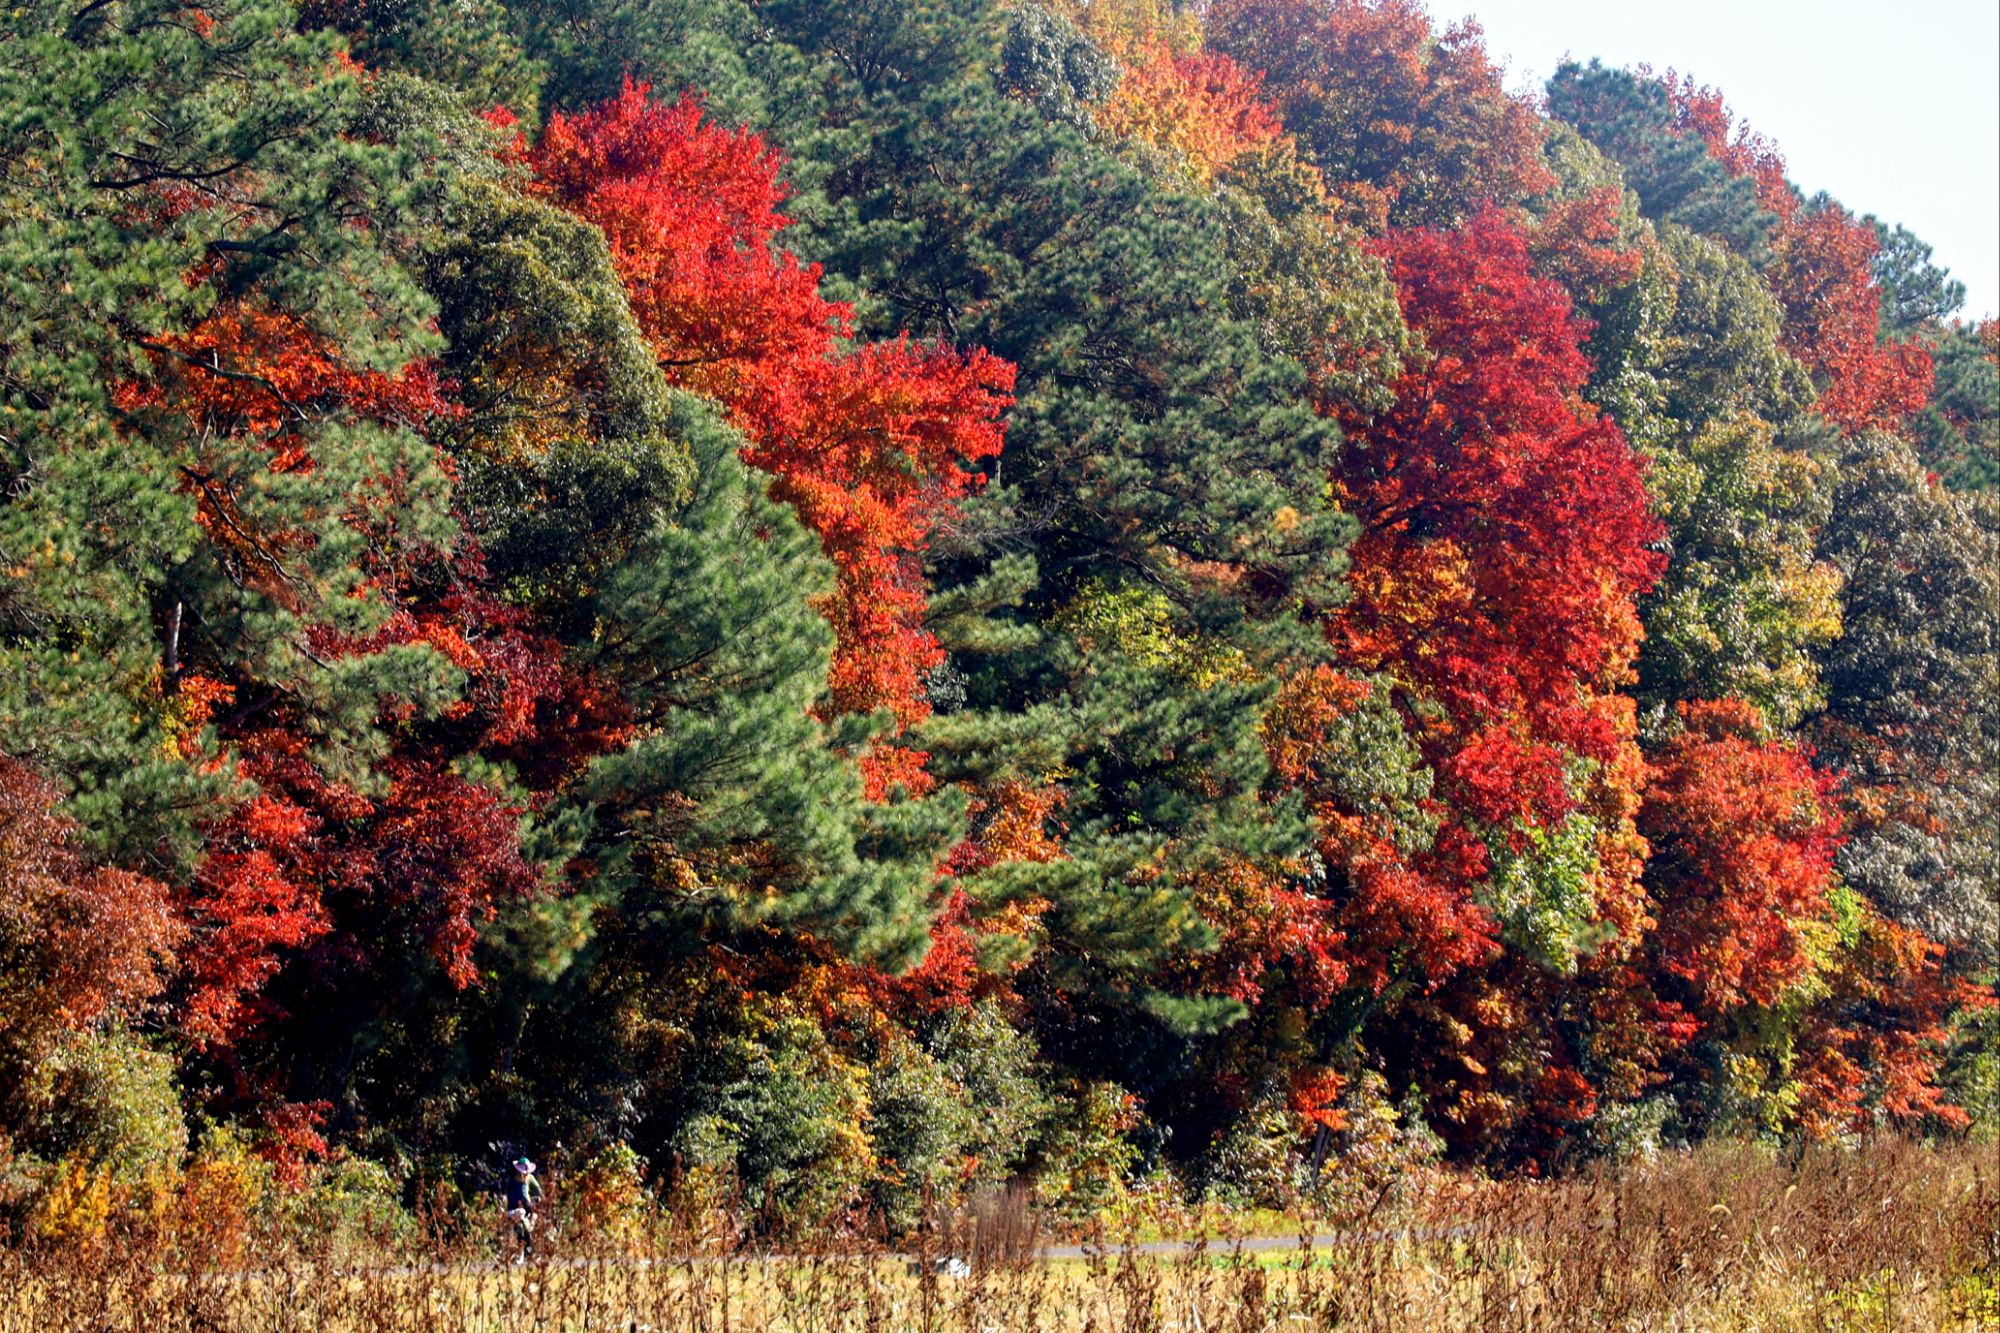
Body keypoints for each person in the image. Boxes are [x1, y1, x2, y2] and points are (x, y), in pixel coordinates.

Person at [504, 1157, 542, 1263]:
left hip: (526, 1207)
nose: (524, 1174)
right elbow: (506, 1193)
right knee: (519, 1224)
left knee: (524, 1226)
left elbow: (538, 1191)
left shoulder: (530, 1178)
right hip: (513, 1209)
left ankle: (526, 1252)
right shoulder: (511, 1180)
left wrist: (537, 1199)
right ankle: (522, 1252)